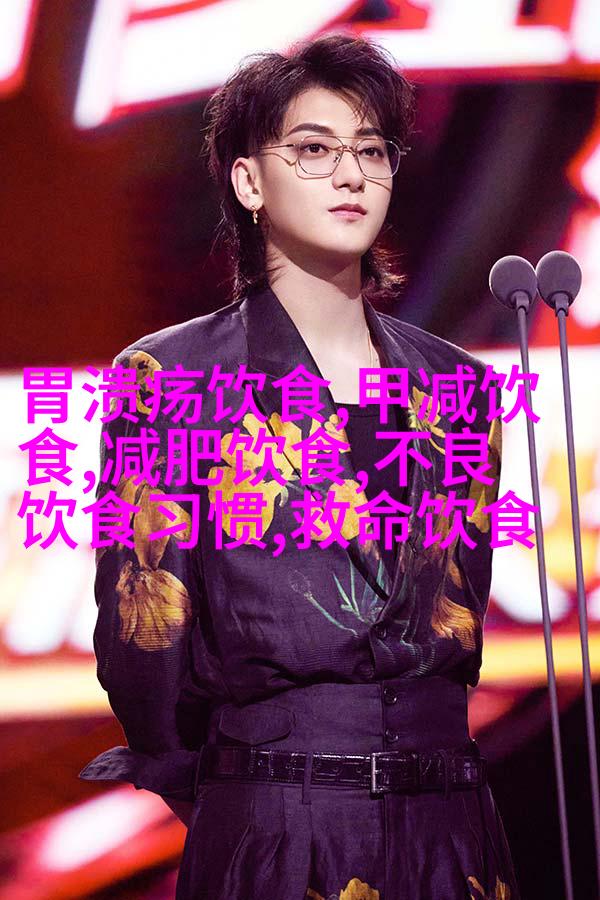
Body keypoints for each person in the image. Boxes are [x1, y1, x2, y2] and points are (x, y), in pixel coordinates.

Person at [79, 33, 519, 900]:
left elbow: (457, 609)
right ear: (249, 182)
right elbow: (142, 637)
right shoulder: (173, 378)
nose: (351, 175)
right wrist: (233, 792)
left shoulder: (458, 386)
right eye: (314, 150)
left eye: (371, 152)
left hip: (451, 826)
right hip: (277, 815)